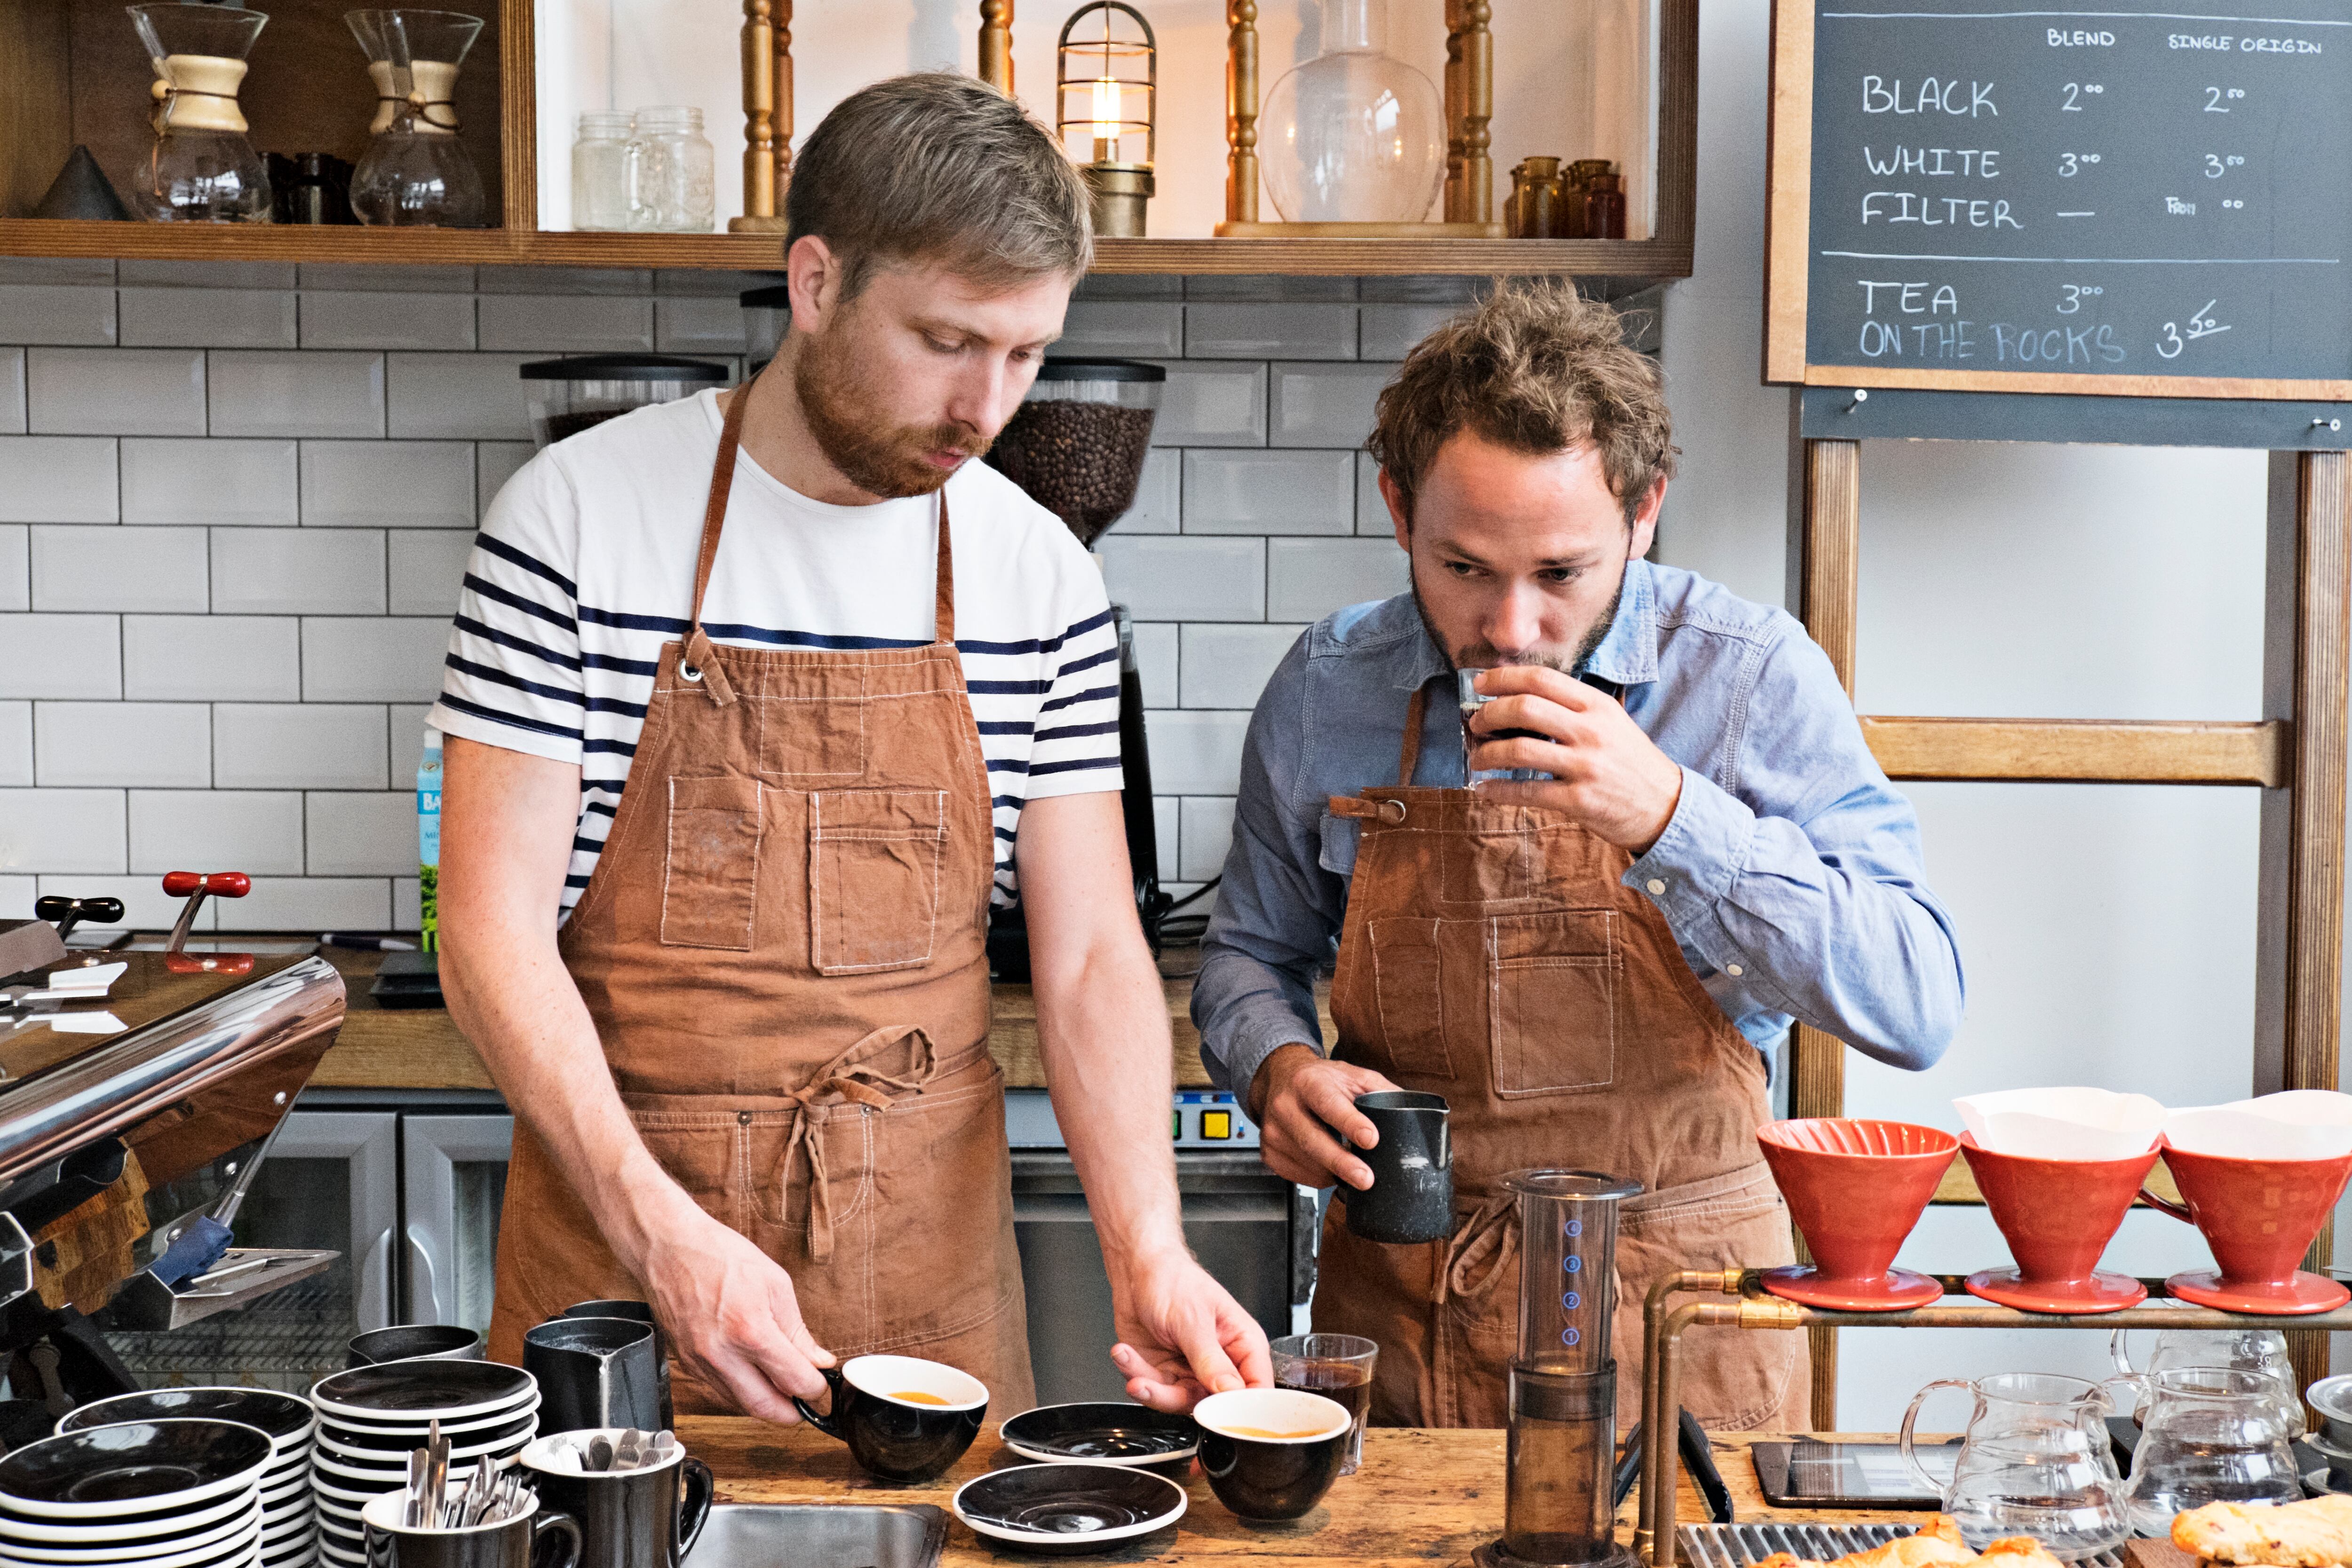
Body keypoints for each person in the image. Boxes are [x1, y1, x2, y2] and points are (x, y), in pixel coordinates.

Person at [430, 72, 1269, 1423]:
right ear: (814, 283)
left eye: (1027, 354)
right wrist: (659, 1232)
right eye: (946, 340)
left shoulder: (1036, 575)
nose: (986, 404)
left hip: (924, 1283)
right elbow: (485, 931)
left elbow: (1097, 952)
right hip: (622, 1275)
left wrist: (1148, 1249)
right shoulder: (571, 525)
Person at [1192, 284, 1964, 1430]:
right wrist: (1278, 1068)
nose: (1509, 626)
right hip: (1408, 1309)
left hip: (1682, 1318)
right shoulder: (1327, 684)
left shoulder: (1747, 676)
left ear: (1644, 513)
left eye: (1561, 573)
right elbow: (1246, 955)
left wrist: (1669, 815)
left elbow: (1915, 1000)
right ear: (1398, 507)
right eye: (1462, 568)